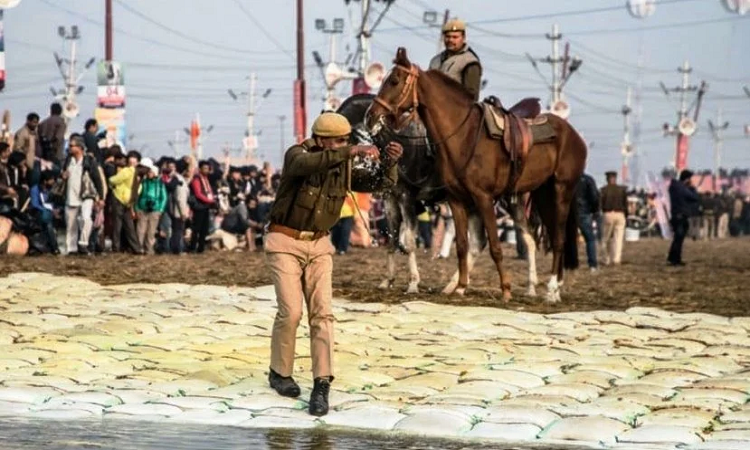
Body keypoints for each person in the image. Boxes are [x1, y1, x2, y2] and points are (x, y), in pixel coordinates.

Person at [264, 112, 402, 417]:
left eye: (348, 141)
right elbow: (304, 166)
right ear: (323, 140)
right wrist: (349, 152)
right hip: (284, 242)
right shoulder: (297, 154)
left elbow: (378, 183)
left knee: (322, 314)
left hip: (319, 245)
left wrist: (390, 162)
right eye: (340, 141)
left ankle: (321, 383)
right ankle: (279, 373)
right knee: (291, 312)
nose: (347, 145)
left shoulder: (343, 165)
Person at [428, 18, 482, 101]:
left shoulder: (469, 62)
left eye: (455, 37)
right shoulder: (435, 60)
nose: (450, 40)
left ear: (463, 38)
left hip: (456, 110)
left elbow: (472, 97)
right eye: (448, 37)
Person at [667, 169, 700, 266]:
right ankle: (675, 259)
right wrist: (692, 188)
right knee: (679, 239)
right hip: (681, 216)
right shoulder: (682, 188)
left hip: (675, 215)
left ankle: (674, 258)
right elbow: (694, 198)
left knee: (677, 239)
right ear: (687, 179)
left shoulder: (674, 187)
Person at [599, 170, 627, 265]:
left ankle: (605, 259)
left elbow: (600, 204)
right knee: (618, 239)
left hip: (608, 214)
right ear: (615, 178)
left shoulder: (603, 190)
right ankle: (616, 259)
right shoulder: (622, 189)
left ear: (607, 179)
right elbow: (625, 204)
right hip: (620, 214)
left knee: (605, 238)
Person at [576, 172, 601, 271]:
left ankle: (569, 264)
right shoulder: (587, 179)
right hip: (584, 212)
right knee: (590, 239)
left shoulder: (566, 177)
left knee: (567, 240)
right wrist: (595, 210)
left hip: (569, 213)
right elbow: (594, 196)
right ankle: (592, 265)